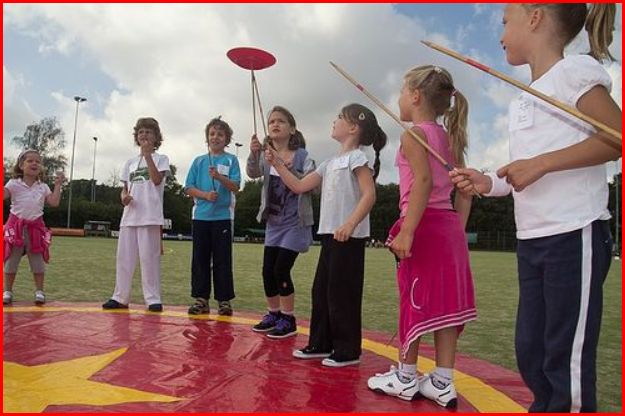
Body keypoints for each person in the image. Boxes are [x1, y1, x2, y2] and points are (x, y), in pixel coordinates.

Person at [450, 4, 621, 412]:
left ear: (535, 17)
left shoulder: (575, 72)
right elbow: (520, 173)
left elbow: (617, 136)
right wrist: (487, 181)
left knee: (565, 359)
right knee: (530, 348)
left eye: (506, 20)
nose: (500, 31)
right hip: (532, 239)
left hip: (573, 233)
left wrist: (541, 165)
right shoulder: (522, 101)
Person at [367, 65, 475, 408]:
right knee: (446, 308)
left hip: (423, 226)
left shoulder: (412, 135)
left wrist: (408, 231)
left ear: (414, 96)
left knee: (412, 303)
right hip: (447, 226)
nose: (398, 98)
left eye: (401, 91)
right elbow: (465, 191)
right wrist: (457, 227)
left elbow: (423, 183)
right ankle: (443, 381)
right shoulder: (448, 137)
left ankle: (405, 376)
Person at [267, 103, 387, 367]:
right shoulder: (329, 162)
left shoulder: (357, 158)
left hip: (349, 237)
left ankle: (347, 350)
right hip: (330, 236)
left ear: (353, 128)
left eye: (339, 118)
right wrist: (276, 162)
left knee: (342, 293)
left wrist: (350, 223)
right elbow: (299, 186)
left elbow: (369, 194)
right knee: (321, 290)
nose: (334, 121)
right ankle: (320, 343)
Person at [246, 106, 314, 339]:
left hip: (295, 222)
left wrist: (280, 164)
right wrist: (254, 154)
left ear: (292, 129)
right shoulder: (266, 155)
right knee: (267, 271)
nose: (275, 124)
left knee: (281, 269)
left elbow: (309, 181)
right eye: (271, 121)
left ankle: (288, 318)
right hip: (273, 223)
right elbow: (253, 172)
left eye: (281, 121)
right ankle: (273, 314)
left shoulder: (303, 156)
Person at [102, 117, 170, 313]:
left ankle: (153, 299)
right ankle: (120, 297)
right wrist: (124, 197)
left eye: (148, 132)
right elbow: (124, 189)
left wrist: (148, 156)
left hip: (150, 216)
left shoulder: (161, 159)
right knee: (124, 259)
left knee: (150, 259)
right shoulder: (129, 162)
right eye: (141, 132)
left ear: (156, 137)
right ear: (136, 136)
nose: (144, 135)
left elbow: (156, 180)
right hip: (129, 217)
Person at [185, 117, 241, 316]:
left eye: (220, 134)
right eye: (212, 134)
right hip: (200, 217)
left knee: (222, 260)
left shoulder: (231, 160)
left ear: (227, 139)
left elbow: (236, 186)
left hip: (222, 218)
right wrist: (205, 195)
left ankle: (224, 301)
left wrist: (219, 178)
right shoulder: (198, 161)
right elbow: (188, 188)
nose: (215, 137)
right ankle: (201, 299)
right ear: (207, 138)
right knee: (199, 259)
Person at [3, 149, 63, 305]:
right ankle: (7, 291)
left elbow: (54, 202)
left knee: (37, 261)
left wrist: (58, 185)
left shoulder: (43, 186)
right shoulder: (13, 183)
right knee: (11, 260)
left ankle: (39, 291)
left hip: (36, 228)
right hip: (15, 227)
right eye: (30, 161)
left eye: (38, 161)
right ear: (21, 165)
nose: (34, 163)